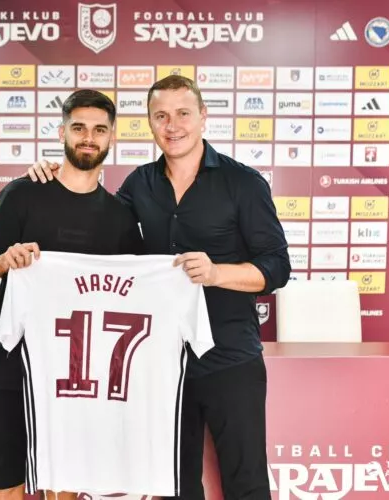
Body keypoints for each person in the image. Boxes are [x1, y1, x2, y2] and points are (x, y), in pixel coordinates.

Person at [27, 75, 291, 500]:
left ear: (203, 116)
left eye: (183, 113)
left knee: (247, 483)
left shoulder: (243, 183)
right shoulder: (139, 184)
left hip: (230, 356)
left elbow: (277, 267)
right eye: (161, 116)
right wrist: (56, 181)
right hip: (162, 363)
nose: (173, 125)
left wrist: (217, 273)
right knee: (175, 486)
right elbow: (96, 229)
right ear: (149, 123)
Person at [0, 89, 143, 500]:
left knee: (64, 487)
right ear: (62, 132)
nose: (89, 137)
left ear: (112, 137)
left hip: (79, 375)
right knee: (6, 485)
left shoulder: (120, 217)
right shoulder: (22, 193)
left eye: (99, 129)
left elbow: (135, 296)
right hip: (12, 365)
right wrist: (2, 261)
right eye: (79, 127)